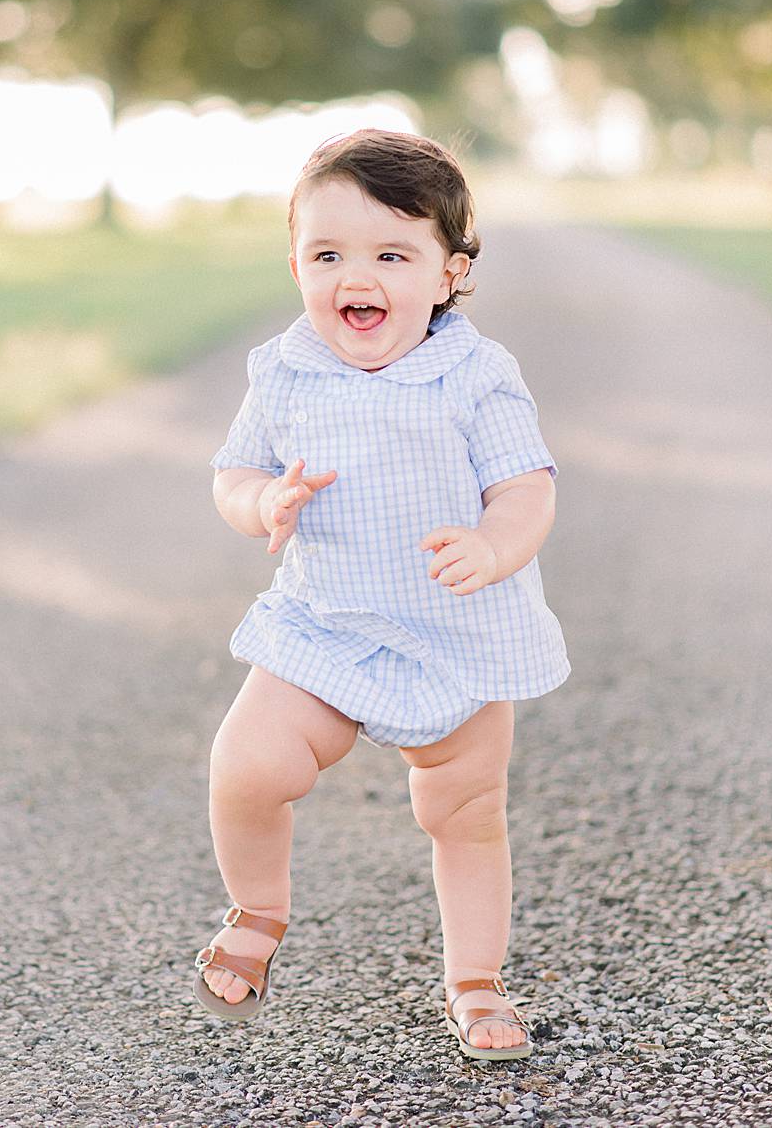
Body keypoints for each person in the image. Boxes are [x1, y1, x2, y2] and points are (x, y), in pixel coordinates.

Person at [191, 128, 565, 1060]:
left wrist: (493, 543)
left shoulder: (476, 373)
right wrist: (262, 500)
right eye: (328, 255)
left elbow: (529, 486)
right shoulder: (284, 371)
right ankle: (259, 909)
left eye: (392, 254)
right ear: (296, 267)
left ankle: (475, 979)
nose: (356, 276)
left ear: (448, 274)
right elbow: (233, 472)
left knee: (464, 812)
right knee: (247, 767)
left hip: (456, 631)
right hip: (324, 625)